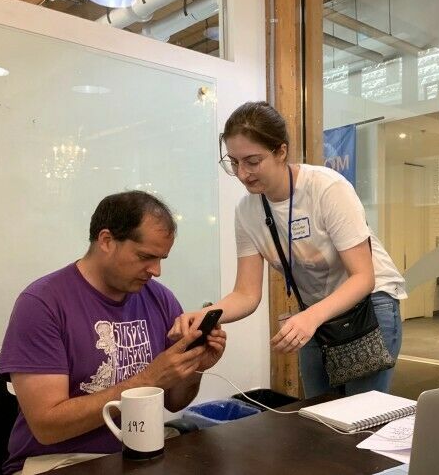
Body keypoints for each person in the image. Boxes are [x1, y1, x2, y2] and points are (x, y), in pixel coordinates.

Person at [170, 101, 406, 397]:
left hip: (369, 304)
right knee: (317, 413)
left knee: (361, 416)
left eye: (252, 161)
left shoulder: (326, 188)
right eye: (234, 162)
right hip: (317, 313)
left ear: (281, 151)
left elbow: (363, 277)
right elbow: (246, 294)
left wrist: (310, 316)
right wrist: (206, 316)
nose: (243, 173)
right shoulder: (247, 211)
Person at [0, 191, 226, 475]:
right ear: (106, 240)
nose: (156, 270)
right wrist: (150, 377)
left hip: (137, 457)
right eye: (145, 257)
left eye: (161, 258)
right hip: (58, 462)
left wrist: (194, 367)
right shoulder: (42, 304)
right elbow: (47, 427)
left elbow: (174, 401)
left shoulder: (159, 299)